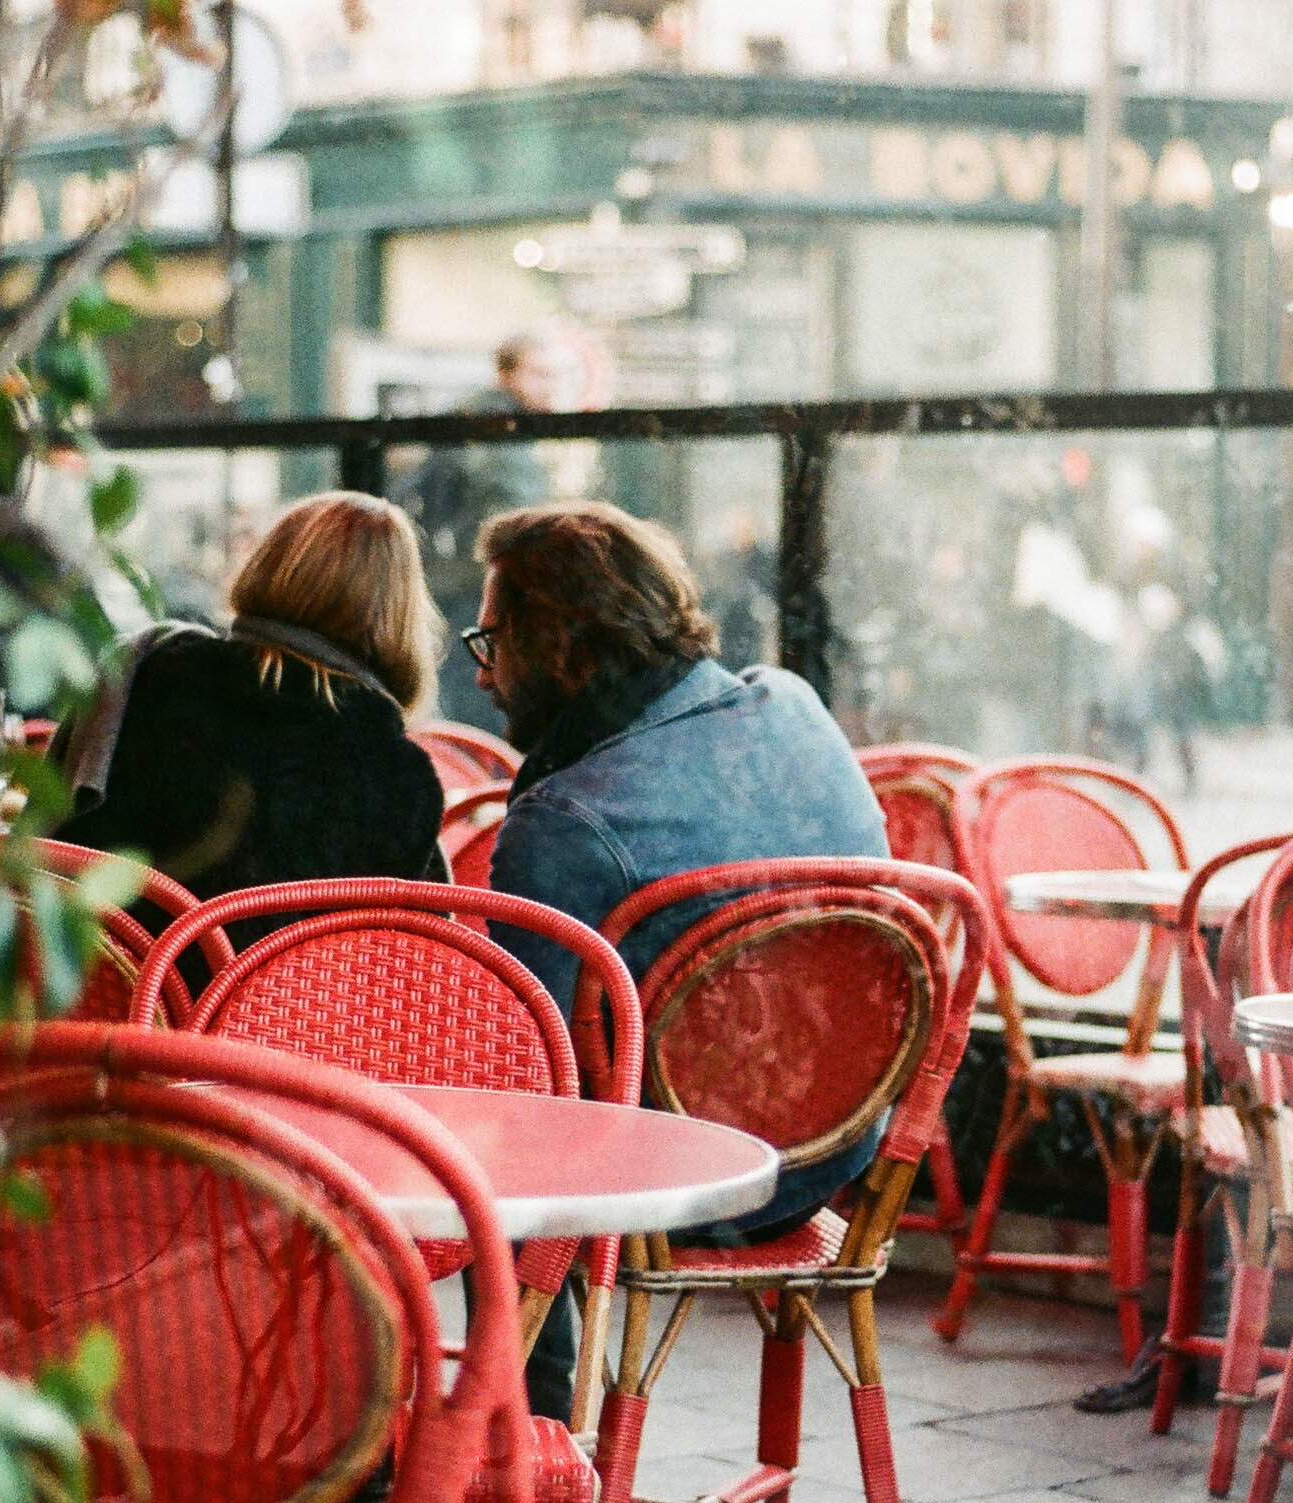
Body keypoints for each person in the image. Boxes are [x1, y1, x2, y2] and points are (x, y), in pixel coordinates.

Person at [473, 500, 891, 1423]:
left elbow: (521, 1066)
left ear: (564, 650)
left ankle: (517, 1464)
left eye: (494, 640)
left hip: (690, 1190)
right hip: (839, 1152)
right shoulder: (795, 705)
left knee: (493, 1158)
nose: (483, 676)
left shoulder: (568, 820)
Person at [47, 491, 446, 949]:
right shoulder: (400, 776)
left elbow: (48, 844)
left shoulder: (151, 672)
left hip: (107, 1000)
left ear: (269, 564)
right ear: (400, 616)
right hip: (277, 1019)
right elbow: (403, 963)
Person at [397, 333, 558, 733]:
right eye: (539, 374)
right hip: (477, 583)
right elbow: (511, 513)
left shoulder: (482, 420)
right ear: (505, 375)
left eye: (557, 375)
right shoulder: (499, 429)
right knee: (484, 695)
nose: (550, 386)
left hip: (456, 579)